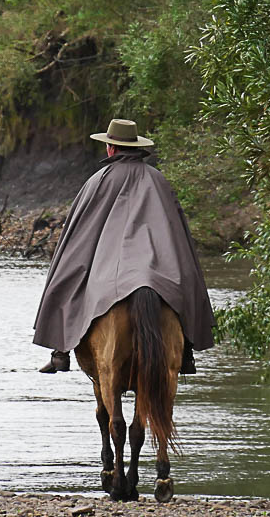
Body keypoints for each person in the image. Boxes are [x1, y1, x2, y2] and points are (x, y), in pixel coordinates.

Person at [33, 118, 215, 374]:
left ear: (111, 148)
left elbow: (79, 233)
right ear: (136, 148)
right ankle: (186, 351)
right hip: (155, 263)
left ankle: (60, 351)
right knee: (186, 272)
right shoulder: (158, 180)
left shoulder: (98, 181)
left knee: (67, 269)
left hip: (113, 265)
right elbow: (176, 231)